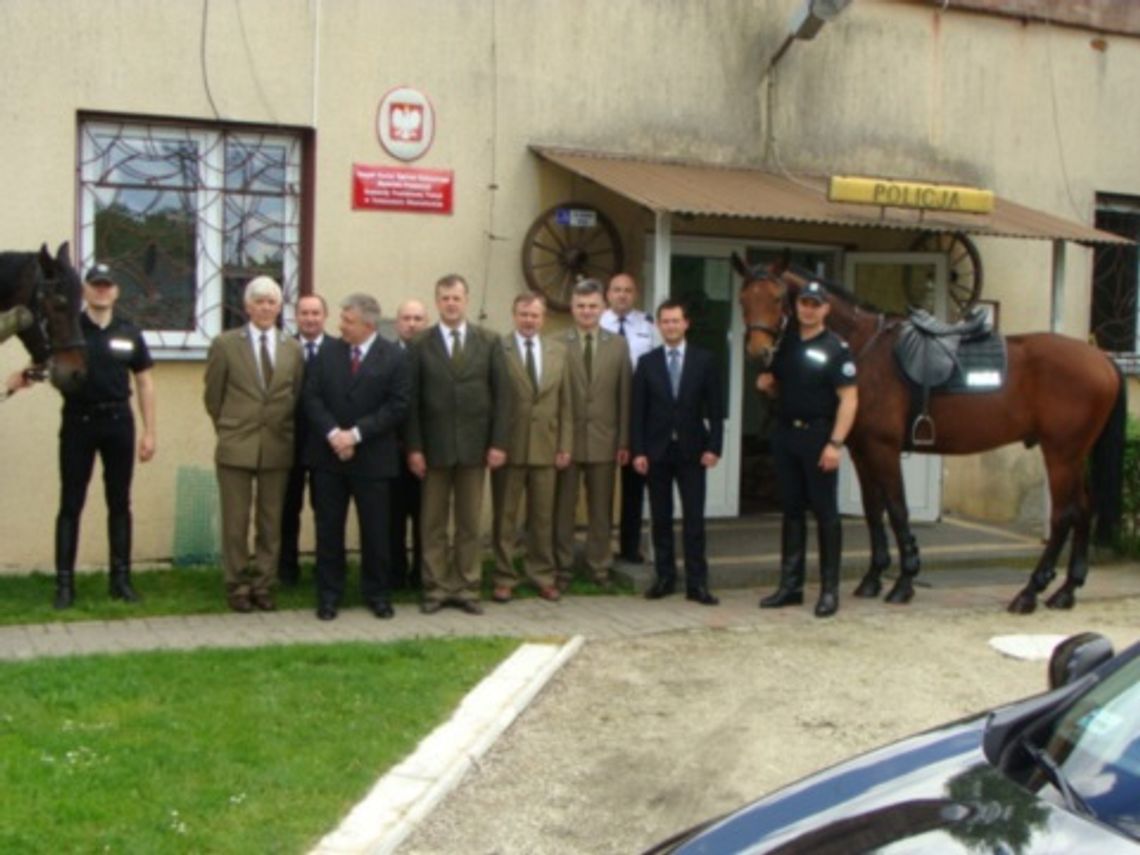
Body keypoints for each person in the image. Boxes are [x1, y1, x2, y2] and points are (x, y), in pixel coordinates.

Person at [51, 262, 157, 609]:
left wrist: (149, 432)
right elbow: (49, 365)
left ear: (116, 291)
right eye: (95, 284)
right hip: (78, 422)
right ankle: (64, 585)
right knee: (71, 503)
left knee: (119, 503)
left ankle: (121, 581)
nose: (101, 290)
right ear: (85, 290)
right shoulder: (70, 329)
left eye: (107, 285)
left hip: (117, 422)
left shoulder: (129, 332)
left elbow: (144, 382)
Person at [405, 274, 510, 615]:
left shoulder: (489, 341)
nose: (451, 304)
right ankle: (435, 588)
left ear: (466, 300)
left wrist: (498, 443)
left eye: (456, 298)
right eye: (445, 298)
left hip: (474, 449)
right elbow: (412, 401)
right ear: (437, 302)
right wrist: (414, 448)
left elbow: (502, 397)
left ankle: (467, 587)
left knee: (468, 523)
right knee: (433, 524)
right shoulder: (420, 343)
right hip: (433, 449)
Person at [304, 293, 409, 621]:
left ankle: (377, 594)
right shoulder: (327, 352)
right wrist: (335, 434)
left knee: (376, 531)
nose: (341, 326)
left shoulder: (393, 357)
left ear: (368, 325)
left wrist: (356, 435)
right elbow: (311, 397)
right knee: (329, 530)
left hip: (373, 459)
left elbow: (397, 406)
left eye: (348, 321)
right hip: (329, 458)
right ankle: (329, 595)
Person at [757, 280, 858, 618]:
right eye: (804, 303)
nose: (809, 310)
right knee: (791, 511)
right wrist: (767, 386)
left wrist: (835, 444)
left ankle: (829, 590)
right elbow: (779, 385)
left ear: (826, 309)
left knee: (826, 514)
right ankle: (791, 587)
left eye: (815, 304)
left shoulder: (835, 348)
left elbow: (849, 399)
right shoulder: (786, 343)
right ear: (796, 306)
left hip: (819, 437)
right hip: (786, 435)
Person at [203, 276, 304, 613]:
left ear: (279, 307)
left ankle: (263, 584)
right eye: (259, 302)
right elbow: (213, 396)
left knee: (270, 521)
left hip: (277, 445)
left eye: (271, 302)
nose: (265, 308)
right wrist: (229, 428)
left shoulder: (292, 348)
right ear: (247, 306)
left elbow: (295, 394)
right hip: (236, 443)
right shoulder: (225, 344)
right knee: (235, 521)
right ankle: (236, 584)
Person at [631, 299, 723, 606]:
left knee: (694, 519)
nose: (670, 326)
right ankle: (665, 578)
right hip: (656, 451)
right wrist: (638, 450)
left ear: (686, 324)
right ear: (659, 326)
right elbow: (638, 412)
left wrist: (714, 447)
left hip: (693, 451)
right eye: (665, 321)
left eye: (675, 321)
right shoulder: (647, 362)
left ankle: (697, 583)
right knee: (661, 518)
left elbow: (716, 408)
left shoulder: (704, 360)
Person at [491, 292, 573, 603]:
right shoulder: (499, 348)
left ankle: (542, 575)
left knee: (542, 517)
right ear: (514, 316)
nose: (529, 320)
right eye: (523, 314)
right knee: (505, 517)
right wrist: (494, 443)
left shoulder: (558, 351)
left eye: (535, 315)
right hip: (508, 447)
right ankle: (504, 577)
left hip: (546, 446)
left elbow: (566, 403)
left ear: (543, 318)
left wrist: (564, 444)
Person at [554, 279, 631, 591]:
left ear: (603, 308)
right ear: (572, 309)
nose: (587, 311)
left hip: (605, 439)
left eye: (593, 306)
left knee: (601, 510)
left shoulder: (618, 345)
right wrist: (558, 440)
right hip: (567, 442)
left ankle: (599, 567)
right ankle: (562, 567)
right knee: (563, 509)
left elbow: (624, 395)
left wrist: (623, 440)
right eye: (581, 306)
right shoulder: (557, 342)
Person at [600, 272, 655, 564]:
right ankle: (599, 549)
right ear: (608, 294)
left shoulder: (648, 326)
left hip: (637, 412)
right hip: (603, 410)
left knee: (634, 485)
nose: (622, 295)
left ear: (635, 294)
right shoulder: (597, 322)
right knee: (600, 484)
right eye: (617, 289)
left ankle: (630, 547)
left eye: (628, 290)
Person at [279, 293, 332, 587]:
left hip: (326, 445)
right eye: (304, 313)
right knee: (288, 509)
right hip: (290, 442)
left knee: (326, 511)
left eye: (315, 313)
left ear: (325, 316)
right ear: (296, 317)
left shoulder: (338, 350)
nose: (310, 319)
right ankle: (287, 569)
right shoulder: (284, 348)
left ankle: (326, 568)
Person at [389, 298, 428, 590]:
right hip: (390, 451)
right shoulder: (385, 355)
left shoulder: (434, 356)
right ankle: (396, 573)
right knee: (393, 516)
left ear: (425, 323)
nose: (412, 324)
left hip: (426, 451)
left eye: (417, 319)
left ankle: (422, 573)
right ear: (397, 323)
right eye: (406, 318)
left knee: (425, 516)